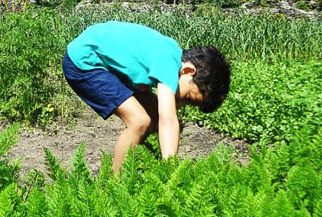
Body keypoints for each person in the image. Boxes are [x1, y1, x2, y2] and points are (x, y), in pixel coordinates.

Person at [62, 21, 230, 174]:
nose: (182, 103)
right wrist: (172, 176)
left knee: (153, 115)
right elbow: (168, 120)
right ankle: (114, 188)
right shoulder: (168, 62)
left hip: (103, 61)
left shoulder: (172, 54)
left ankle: (141, 166)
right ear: (188, 71)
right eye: (188, 98)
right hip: (84, 61)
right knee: (139, 121)